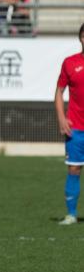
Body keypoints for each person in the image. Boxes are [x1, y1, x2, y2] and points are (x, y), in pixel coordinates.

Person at [55, 24, 84, 225]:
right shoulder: (70, 63)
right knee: (73, 169)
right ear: (80, 38)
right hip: (76, 128)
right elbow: (58, 92)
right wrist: (61, 118)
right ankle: (71, 214)